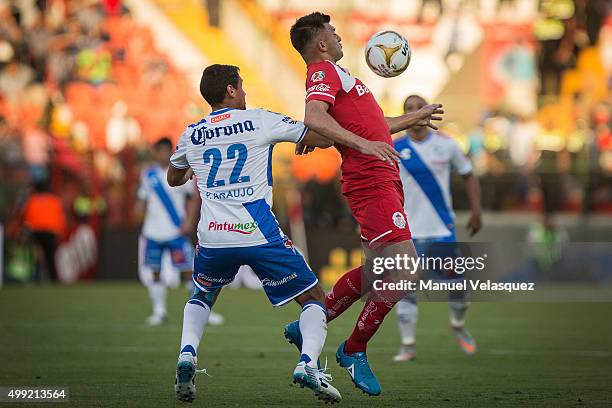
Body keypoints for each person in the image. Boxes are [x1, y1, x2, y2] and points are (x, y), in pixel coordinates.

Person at [285, 12, 444, 396]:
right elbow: (315, 115)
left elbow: (370, 127)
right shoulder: (322, 70)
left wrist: (413, 117)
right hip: (371, 180)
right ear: (321, 43)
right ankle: (353, 349)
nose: (339, 37)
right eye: (333, 32)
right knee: (406, 272)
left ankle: (315, 318)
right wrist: (358, 144)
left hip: (381, 176)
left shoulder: (343, 77)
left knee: (375, 274)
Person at [167, 64, 341, 403]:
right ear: (230, 91)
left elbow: (173, 178)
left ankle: (187, 353)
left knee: (203, 295)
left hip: (214, 237)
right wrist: (308, 138)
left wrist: (193, 166)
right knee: (314, 298)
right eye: (241, 86)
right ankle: (308, 364)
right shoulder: (260, 119)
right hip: (258, 234)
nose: (245, 92)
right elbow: (324, 137)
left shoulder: (193, 132)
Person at [392, 95, 483, 362]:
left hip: (442, 230)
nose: (415, 112)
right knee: (406, 290)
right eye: (408, 109)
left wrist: (477, 211)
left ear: (428, 112)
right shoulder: (394, 148)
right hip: (407, 232)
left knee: (459, 289)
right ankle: (408, 345)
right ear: (404, 114)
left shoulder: (447, 145)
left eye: (419, 107)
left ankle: (457, 323)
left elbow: (468, 176)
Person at [135, 137, 203, 326]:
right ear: (155, 153)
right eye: (160, 150)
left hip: (176, 231)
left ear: (171, 152)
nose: (164, 154)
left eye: (167, 150)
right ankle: (159, 311)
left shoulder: (179, 173)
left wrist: (189, 222)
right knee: (155, 272)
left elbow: (192, 199)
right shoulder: (148, 175)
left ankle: (198, 312)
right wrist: (137, 210)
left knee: (188, 271)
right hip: (153, 231)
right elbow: (142, 199)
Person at [21, 181, 67, 281]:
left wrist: (24, 233)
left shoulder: (32, 199)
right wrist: (61, 232)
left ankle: (36, 277)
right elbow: (61, 217)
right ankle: (53, 278)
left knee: (37, 254)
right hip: (51, 231)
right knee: (50, 255)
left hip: (36, 231)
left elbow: (25, 217)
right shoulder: (55, 200)